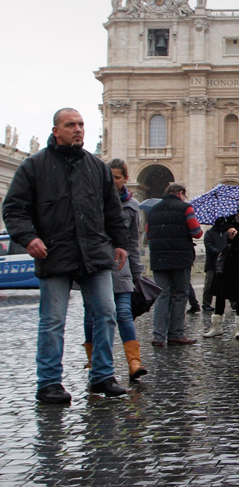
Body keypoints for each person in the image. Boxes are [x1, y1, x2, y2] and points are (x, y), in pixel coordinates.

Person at [2, 108, 129, 402]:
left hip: (95, 252)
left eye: (81, 124)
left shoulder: (97, 167)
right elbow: (14, 209)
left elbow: (112, 210)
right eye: (71, 124)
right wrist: (29, 237)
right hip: (54, 253)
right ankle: (48, 382)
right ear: (56, 130)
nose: (78, 129)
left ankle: (102, 375)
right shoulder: (33, 166)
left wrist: (120, 242)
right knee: (53, 320)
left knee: (107, 314)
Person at [82, 159, 147, 383]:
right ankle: (95, 361)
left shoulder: (132, 206)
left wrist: (137, 272)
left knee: (124, 313)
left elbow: (133, 242)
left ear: (125, 179)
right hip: (95, 263)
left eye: (116, 178)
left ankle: (134, 362)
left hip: (121, 266)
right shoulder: (92, 201)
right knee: (92, 314)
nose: (112, 182)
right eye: (109, 178)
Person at [147, 183, 202, 346]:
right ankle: (176, 333)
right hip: (180, 258)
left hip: (158, 259)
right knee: (179, 295)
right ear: (180, 193)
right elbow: (197, 233)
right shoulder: (185, 208)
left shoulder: (153, 210)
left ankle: (158, 336)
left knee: (162, 296)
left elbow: (149, 234)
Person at [203, 199, 239, 339]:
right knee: (221, 294)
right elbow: (218, 225)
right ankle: (216, 326)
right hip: (228, 262)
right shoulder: (232, 222)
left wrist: (235, 238)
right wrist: (228, 227)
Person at [202, 226, 228, 312]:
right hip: (212, 262)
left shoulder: (226, 232)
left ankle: (234, 304)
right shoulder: (209, 232)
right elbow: (208, 245)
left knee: (228, 284)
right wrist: (217, 252)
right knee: (209, 285)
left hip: (224, 261)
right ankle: (206, 304)